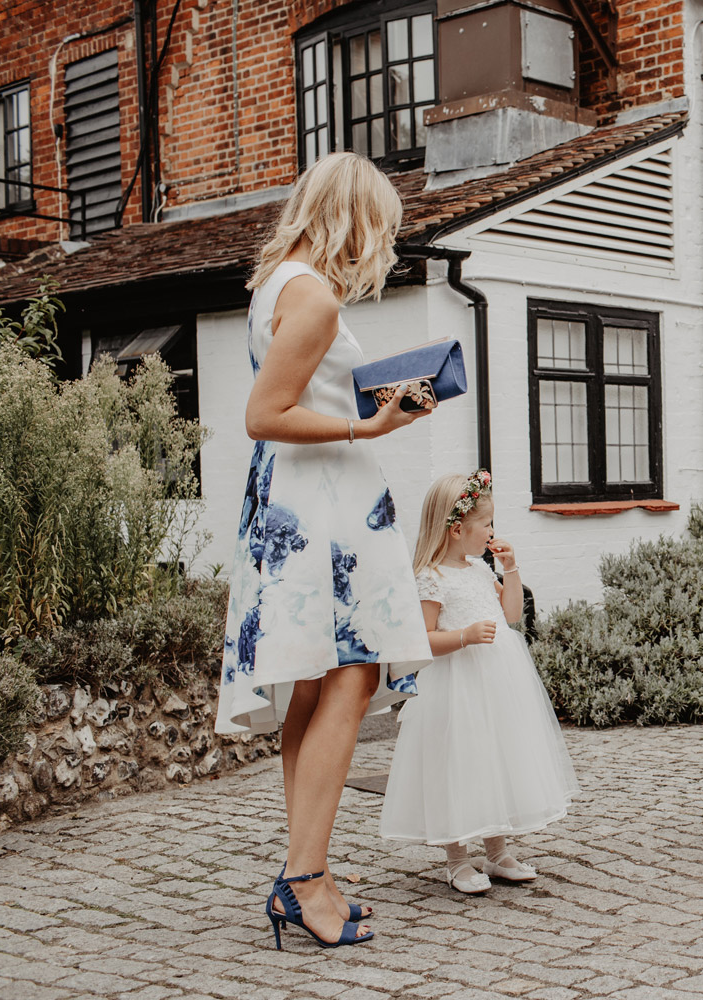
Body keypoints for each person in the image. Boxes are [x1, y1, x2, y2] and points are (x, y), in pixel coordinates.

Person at [217, 152, 435, 949]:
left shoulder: (279, 282)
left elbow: (294, 398)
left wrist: (374, 406)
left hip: (300, 503)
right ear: (359, 217)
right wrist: (367, 425)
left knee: (313, 688)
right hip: (322, 511)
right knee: (353, 673)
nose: (383, 241)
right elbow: (265, 412)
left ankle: (312, 867)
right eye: (383, 224)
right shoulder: (311, 298)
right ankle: (304, 879)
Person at [380, 470, 578, 892]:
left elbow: (509, 616)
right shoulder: (432, 577)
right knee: (456, 762)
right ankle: (457, 859)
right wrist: (463, 637)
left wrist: (510, 568)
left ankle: (497, 852)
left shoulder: (477, 568)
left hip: (495, 682)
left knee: (494, 759)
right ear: (456, 530)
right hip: (454, 687)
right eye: (486, 524)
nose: (492, 531)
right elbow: (422, 640)